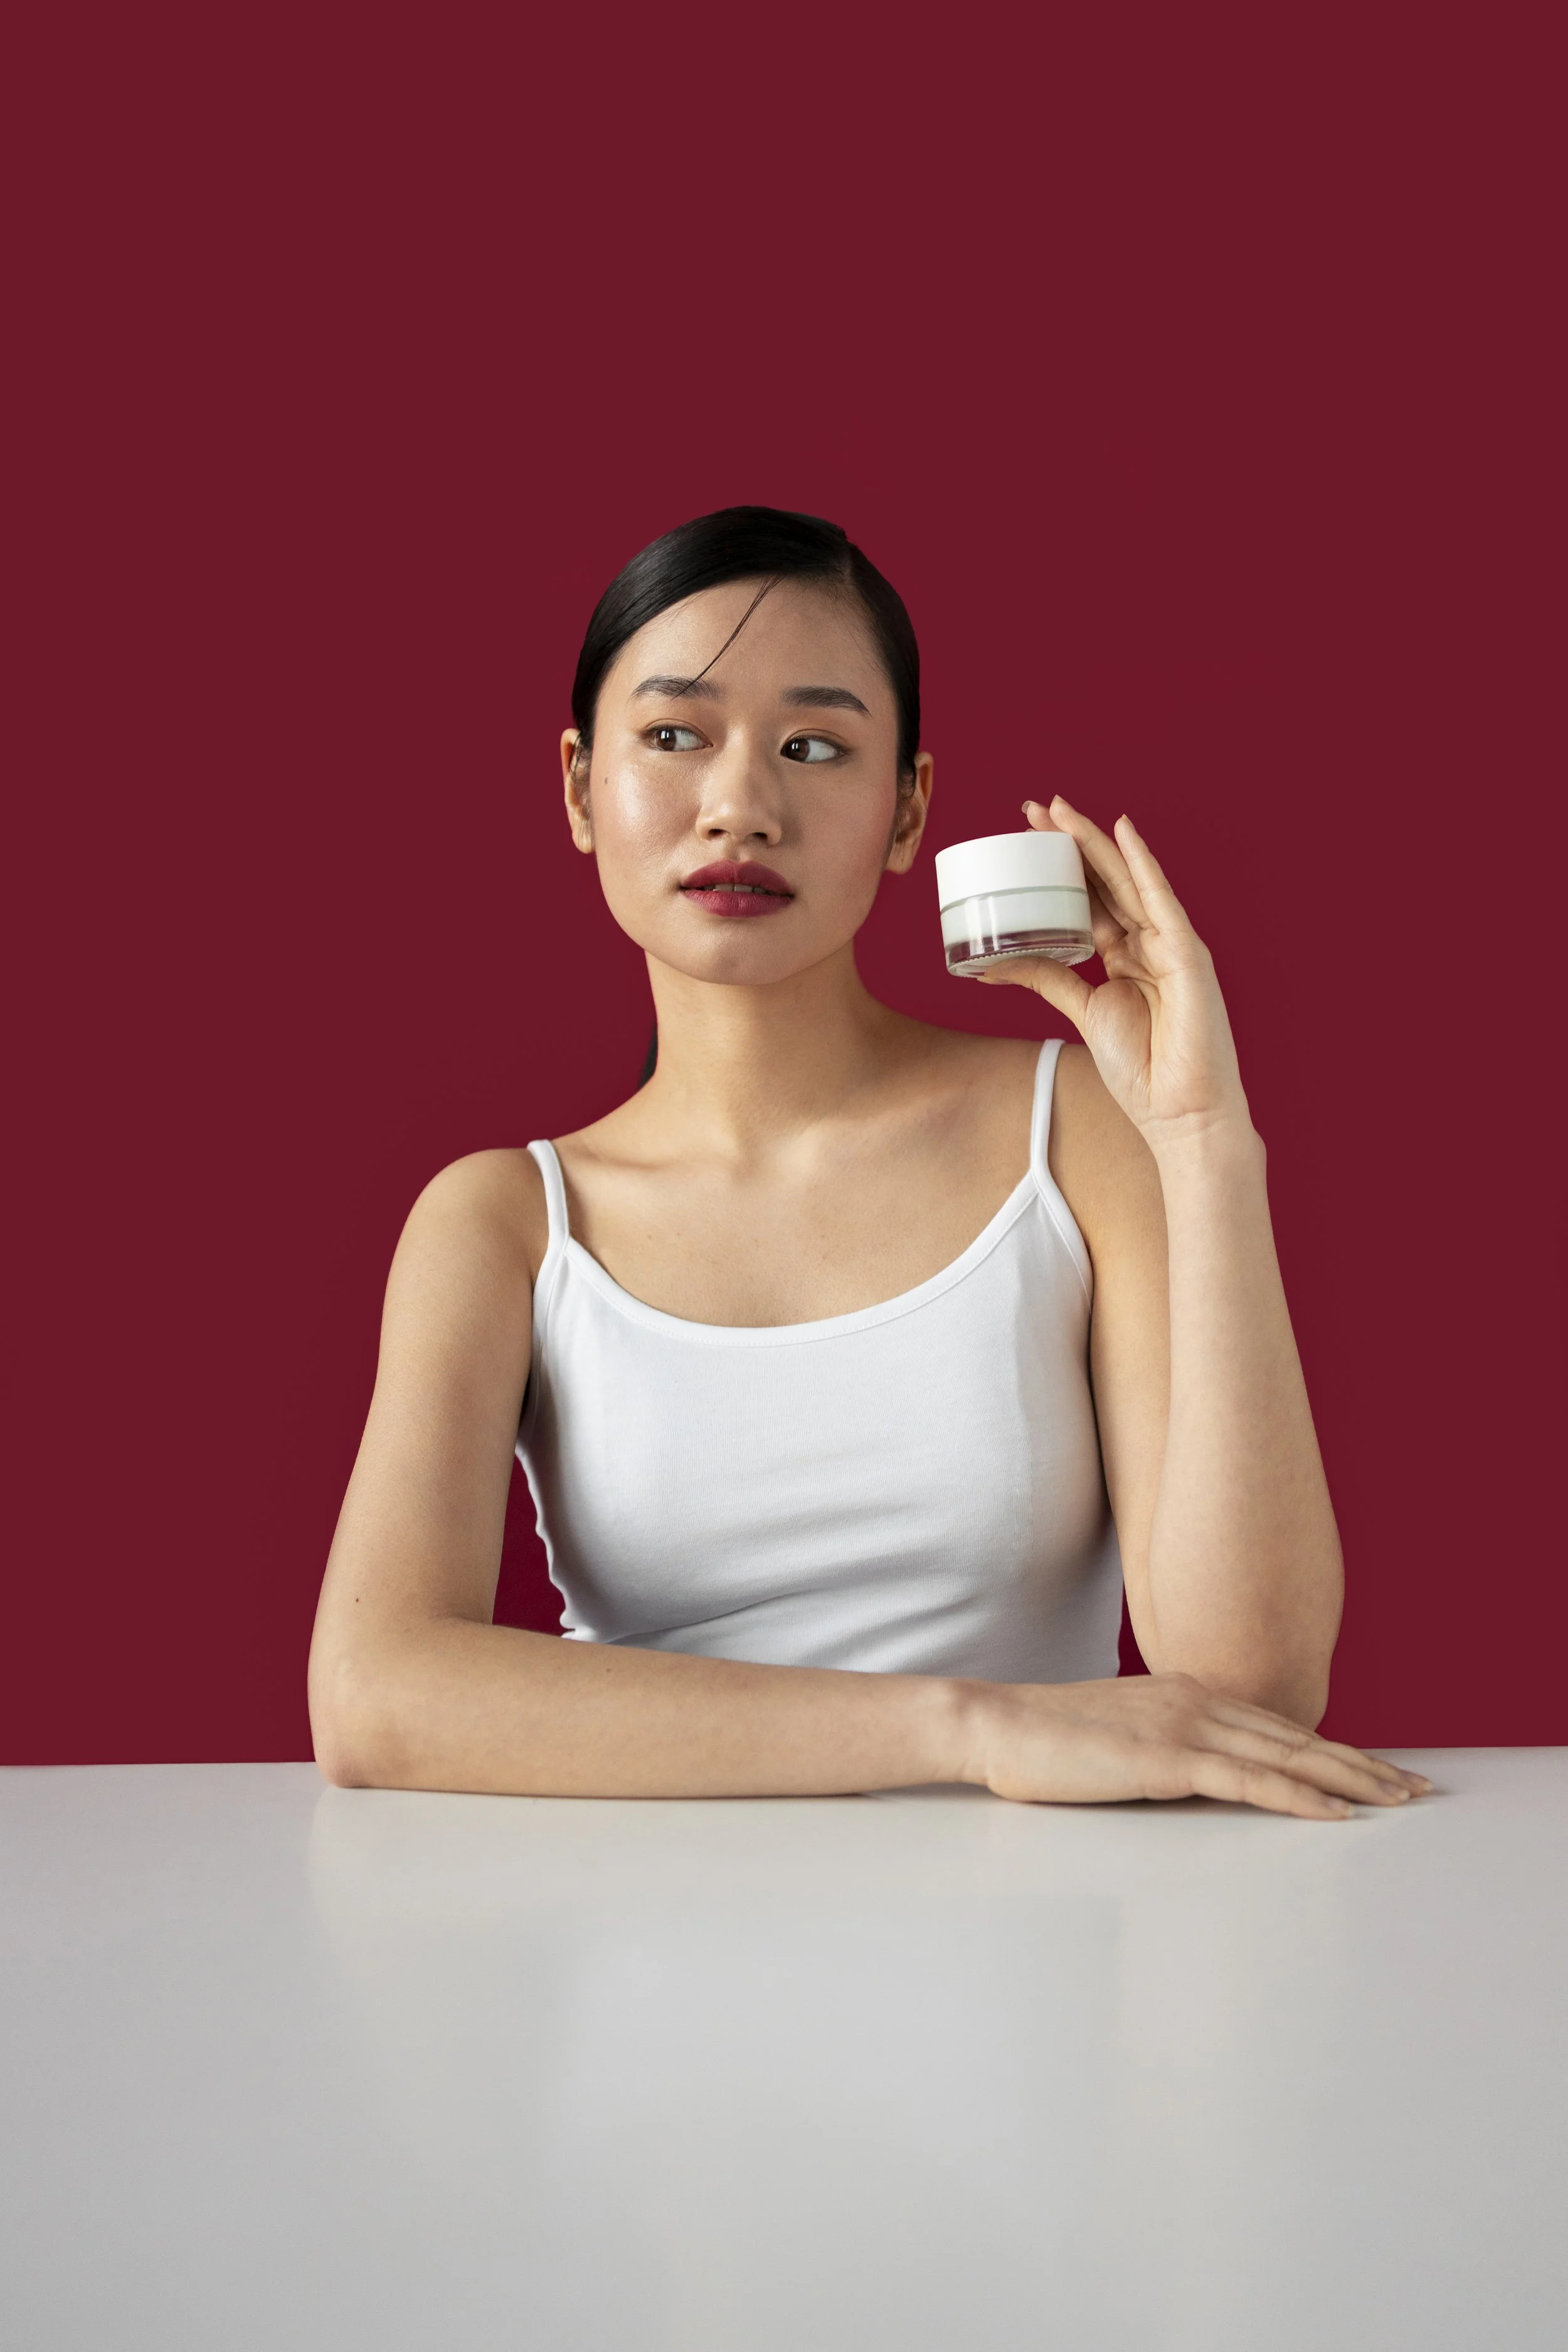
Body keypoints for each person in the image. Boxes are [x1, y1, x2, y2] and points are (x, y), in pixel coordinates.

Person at [309, 506, 1427, 1820]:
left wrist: (1200, 1143)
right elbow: (376, 1694)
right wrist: (974, 1729)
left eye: (814, 746)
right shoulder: (504, 1222)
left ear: (905, 814)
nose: (740, 804)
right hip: (636, 1955)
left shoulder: (1070, 1137)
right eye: (673, 736)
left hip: (1032, 1960)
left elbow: (1250, 1682)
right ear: (575, 786)